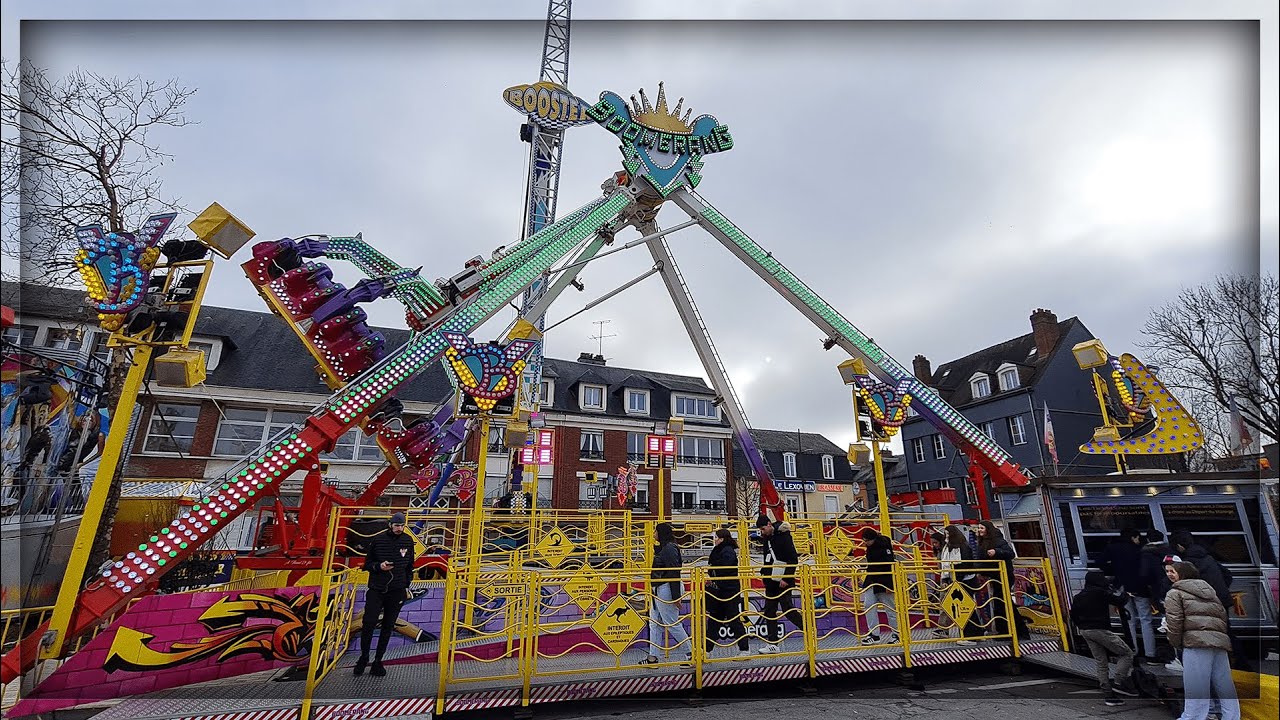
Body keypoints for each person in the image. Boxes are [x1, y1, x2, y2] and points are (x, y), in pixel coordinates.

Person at [1164, 561, 1241, 720]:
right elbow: (1221, 615)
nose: (1169, 574)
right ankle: (1232, 717)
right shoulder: (1209, 591)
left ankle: (1192, 717)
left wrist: (1175, 641)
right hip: (1218, 642)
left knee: (1196, 686)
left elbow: (1174, 621)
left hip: (1195, 642)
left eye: (1173, 571)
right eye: (1168, 571)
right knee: (1224, 685)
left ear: (1183, 573)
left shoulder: (1175, 593)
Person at [355, 511, 416, 677]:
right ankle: (364, 657)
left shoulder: (407, 541)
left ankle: (378, 661)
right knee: (368, 623)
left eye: (402, 525)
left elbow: (410, 565)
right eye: (397, 525)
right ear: (390, 525)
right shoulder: (378, 540)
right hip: (377, 589)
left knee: (388, 626)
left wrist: (406, 584)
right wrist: (379, 567)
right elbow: (367, 564)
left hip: (396, 591)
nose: (399, 528)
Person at [1071, 570, 1137, 706]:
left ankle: (1109, 695)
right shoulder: (1100, 593)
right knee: (1127, 653)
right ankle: (1119, 682)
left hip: (1085, 631)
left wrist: (1082, 625)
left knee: (1101, 662)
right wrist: (1127, 594)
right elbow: (1119, 601)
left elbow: (1073, 616)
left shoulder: (1078, 596)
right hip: (1100, 630)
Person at [1099, 529, 1155, 659]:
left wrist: (1114, 570)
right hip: (1140, 587)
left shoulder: (1112, 548)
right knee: (1146, 619)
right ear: (1133, 537)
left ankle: (1132, 650)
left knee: (1128, 619)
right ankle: (1150, 653)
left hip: (1122, 586)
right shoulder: (1141, 550)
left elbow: (1100, 562)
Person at [644, 522, 691, 666]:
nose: (653, 534)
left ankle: (691, 653)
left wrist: (676, 596)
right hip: (659, 587)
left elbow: (673, 571)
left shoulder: (669, 548)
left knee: (672, 623)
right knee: (654, 622)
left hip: (666, 588)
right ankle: (653, 657)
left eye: (655, 531)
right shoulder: (665, 547)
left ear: (661, 533)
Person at [756, 514, 804, 653]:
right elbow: (767, 558)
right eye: (760, 530)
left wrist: (787, 578)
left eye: (763, 528)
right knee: (769, 611)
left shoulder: (783, 536)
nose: (762, 532)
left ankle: (808, 629)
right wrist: (764, 573)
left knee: (787, 609)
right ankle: (772, 643)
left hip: (782, 581)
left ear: (769, 524)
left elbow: (793, 559)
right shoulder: (767, 538)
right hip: (771, 580)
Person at [975, 520, 1030, 638]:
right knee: (1000, 603)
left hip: (1003, 575)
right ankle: (1007, 630)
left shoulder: (997, 540)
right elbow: (982, 560)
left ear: (987, 529)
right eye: (978, 528)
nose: (979, 530)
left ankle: (1016, 631)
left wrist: (996, 552)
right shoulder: (982, 542)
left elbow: (1010, 554)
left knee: (1003, 603)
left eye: (982, 528)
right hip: (994, 575)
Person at [705, 527, 751, 659]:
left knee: (732, 619)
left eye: (716, 537)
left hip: (728, 590)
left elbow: (725, 567)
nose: (714, 540)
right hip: (721, 590)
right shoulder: (722, 550)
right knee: (715, 620)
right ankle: (707, 650)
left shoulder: (727, 551)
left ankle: (744, 649)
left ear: (722, 539)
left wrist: (713, 570)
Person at [939, 524, 981, 644]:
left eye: (947, 534)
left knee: (964, 609)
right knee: (968, 608)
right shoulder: (949, 547)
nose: (946, 536)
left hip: (964, 580)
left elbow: (965, 564)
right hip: (957, 579)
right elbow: (946, 565)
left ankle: (967, 635)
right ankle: (977, 633)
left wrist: (955, 579)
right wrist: (946, 579)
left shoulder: (961, 547)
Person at [860, 527, 899, 644]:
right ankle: (874, 634)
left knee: (890, 608)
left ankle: (897, 634)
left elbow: (889, 565)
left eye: (866, 540)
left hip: (884, 581)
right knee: (869, 605)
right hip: (872, 579)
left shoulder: (884, 547)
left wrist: (890, 585)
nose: (865, 543)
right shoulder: (871, 548)